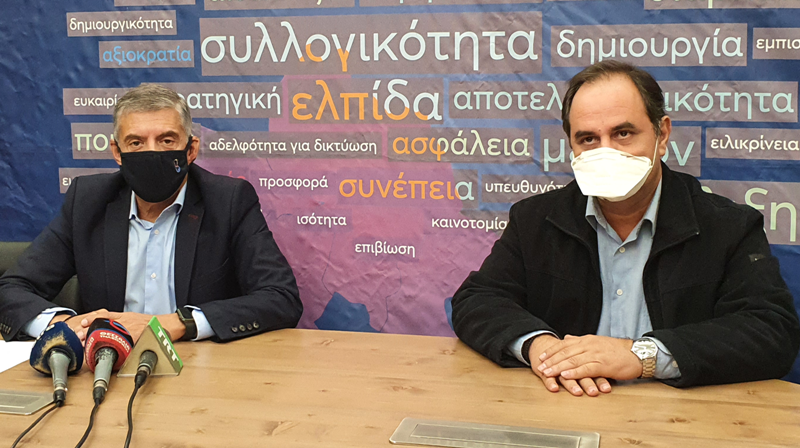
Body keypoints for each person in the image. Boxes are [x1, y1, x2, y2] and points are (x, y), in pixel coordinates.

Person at [451, 61, 800, 396]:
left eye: (623, 133)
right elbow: (477, 300)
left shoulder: (727, 227)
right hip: (565, 407)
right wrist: (541, 348)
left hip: (680, 418)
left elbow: (771, 330)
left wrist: (640, 356)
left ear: (662, 135)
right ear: (571, 146)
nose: (607, 152)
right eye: (588, 139)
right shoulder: (535, 219)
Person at [0, 84, 302, 343]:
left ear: (191, 149)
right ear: (117, 152)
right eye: (136, 143)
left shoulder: (228, 201)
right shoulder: (88, 201)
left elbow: (280, 297)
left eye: (167, 141)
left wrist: (177, 324)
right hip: (107, 364)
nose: (152, 153)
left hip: (200, 367)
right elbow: (11, 288)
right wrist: (66, 325)